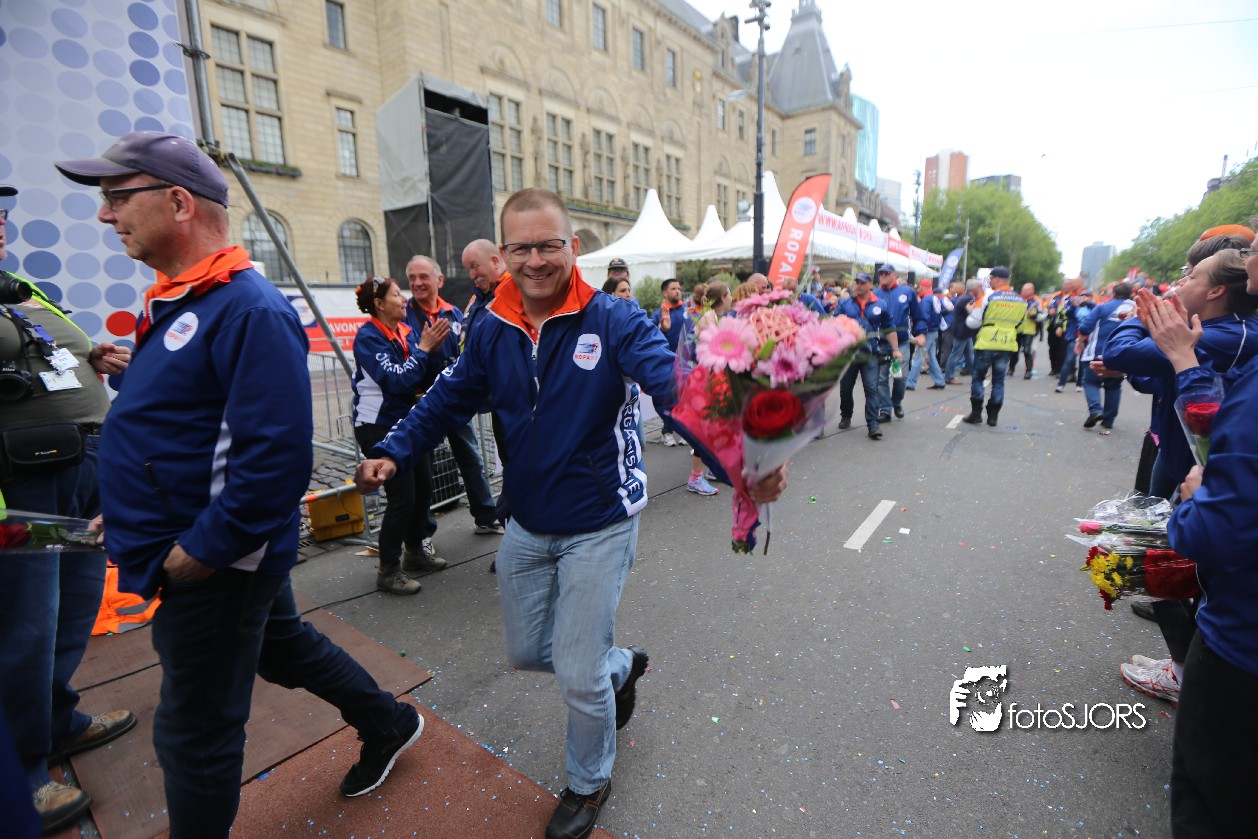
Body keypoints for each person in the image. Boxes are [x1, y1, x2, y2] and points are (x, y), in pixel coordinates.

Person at [356, 188, 788, 839]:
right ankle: (620, 666)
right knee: (533, 651)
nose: (535, 259)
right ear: (505, 254)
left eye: (548, 245)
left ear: (573, 247)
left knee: (578, 673)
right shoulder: (492, 328)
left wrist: (740, 458)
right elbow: (447, 397)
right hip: (529, 521)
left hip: (600, 520)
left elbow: (676, 388)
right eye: (522, 247)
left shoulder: (614, 318)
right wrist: (392, 450)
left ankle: (588, 782)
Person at [55, 131, 424, 836]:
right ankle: (389, 720)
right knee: (283, 648)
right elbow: (185, 424)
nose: (106, 214)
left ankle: (386, 722)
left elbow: (274, 460)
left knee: (193, 732)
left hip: (217, 561)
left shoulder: (247, 307)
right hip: (210, 546)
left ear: (178, 202)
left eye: (117, 197)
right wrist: (130, 505)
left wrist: (200, 552)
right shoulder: (185, 299)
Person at [0, 184, 136, 833]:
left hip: (80, 466)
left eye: (0, 213)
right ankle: (23, 771)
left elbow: (47, 354)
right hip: (22, 486)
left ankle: (57, 720)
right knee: (27, 623)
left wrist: (91, 357)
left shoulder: (21, 287)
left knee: (74, 605)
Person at [1138, 253, 1258, 836]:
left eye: (1194, 274)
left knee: (1211, 802)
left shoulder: (1231, 338)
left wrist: (1193, 503)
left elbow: (1219, 527)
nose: (1252, 251)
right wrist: (1181, 359)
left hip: (1241, 643)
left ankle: (1180, 664)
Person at [404, 254, 505, 545]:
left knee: (471, 458)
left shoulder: (454, 312)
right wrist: (424, 349)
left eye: (423, 277)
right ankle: (421, 537)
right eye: (412, 278)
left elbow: (465, 351)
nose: (417, 283)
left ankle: (486, 516)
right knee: (423, 471)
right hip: (422, 403)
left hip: (455, 400)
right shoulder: (404, 314)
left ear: (439, 280)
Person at [350, 276, 441, 595]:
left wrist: (434, 351)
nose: (404, 299)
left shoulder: (406, 330)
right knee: (402, 497)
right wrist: (424, 350)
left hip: (408, 422)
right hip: (376, 425)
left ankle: (414, 551)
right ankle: (388, 570)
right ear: (379, 304)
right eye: (397, 294)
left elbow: (421, 375)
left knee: (423, 489)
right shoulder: (368, 337)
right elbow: (397, 380)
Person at [963, 266, 1027, 426]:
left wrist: (970, 313)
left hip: (987, 342)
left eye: (991, 278)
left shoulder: (988, 297)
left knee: (978, 377)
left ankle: (976, 414)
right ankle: (993, 416)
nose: (989, 281)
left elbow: (973, 322)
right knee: (999, 380)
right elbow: (1021, 325)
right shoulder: (1021, 300)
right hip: (1006, 343)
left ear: (997, 279)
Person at [836, 272, 894, 440]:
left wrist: (896, 349)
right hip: (849, 354)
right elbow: (834, 324)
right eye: (857, 282)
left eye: (862, 283)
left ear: (870, 285)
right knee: (846, 388)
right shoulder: (845, 303)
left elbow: (890, 328)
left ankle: (873, 425)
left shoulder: (881, 304)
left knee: (871, 388)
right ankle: (846, 415)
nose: (858, 285)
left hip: (870, 354)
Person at [1075, 281, 1135, 429]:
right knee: (1114, 386)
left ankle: (1095, 410)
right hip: (1123, 355)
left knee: (1091, 382)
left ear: (1113, 294)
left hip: (1097, 353)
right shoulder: (1137, 309)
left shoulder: (1102, 307)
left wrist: (1080, 341)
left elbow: (1085, 328)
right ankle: (1109, 420)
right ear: (1130, 294)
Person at [875, 264, 921, 420]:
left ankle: (896, 402)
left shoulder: (907, 292)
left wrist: (921, 333)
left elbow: (918, 314)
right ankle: (885, 410)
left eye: (886, 273)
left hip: (901, 342)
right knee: (881, 378)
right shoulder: (875, 294)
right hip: (882, 342)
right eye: (881, 273)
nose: (883, 276)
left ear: (894, 274)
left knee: (900, 377)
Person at [652, 277, 687, 447]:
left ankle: (685, 431)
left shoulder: (686, 310)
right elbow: (652, 338)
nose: (678, 291)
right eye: (673, 288)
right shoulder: (658, 314)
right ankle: (667, 432)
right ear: (664, 292)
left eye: (679, 288)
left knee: (686, 398)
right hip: (666, 364)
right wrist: (662, 328)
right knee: (667, 399)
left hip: (685, 362)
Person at [462, 238, 507, 339]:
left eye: (475, 266)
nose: (472, 276)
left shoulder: (516, 295)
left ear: (495, 261)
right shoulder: (474, 301)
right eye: (468, 270)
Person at [905, 278, 946, 390]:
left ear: (922, 287)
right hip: (934, 330)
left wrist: (921, 332)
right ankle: (939, 381)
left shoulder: (926, 300)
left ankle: (910, 383)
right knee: (931, 357)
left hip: (927, 332)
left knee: (917, 356)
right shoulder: (934, 298)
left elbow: (924, 317)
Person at [1010, 283, 1042, 379]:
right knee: (1014, 350)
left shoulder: (1037, 302)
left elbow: (1043, 315)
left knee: (1027, 350)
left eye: (1027, 290)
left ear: (1032, 291)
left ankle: (1028, 371)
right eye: (1023, 289)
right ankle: (1011, 368)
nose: (1025, 291)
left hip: (1029, 330)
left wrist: (1033, 316)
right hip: (1017, 329)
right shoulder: (1017, 300)